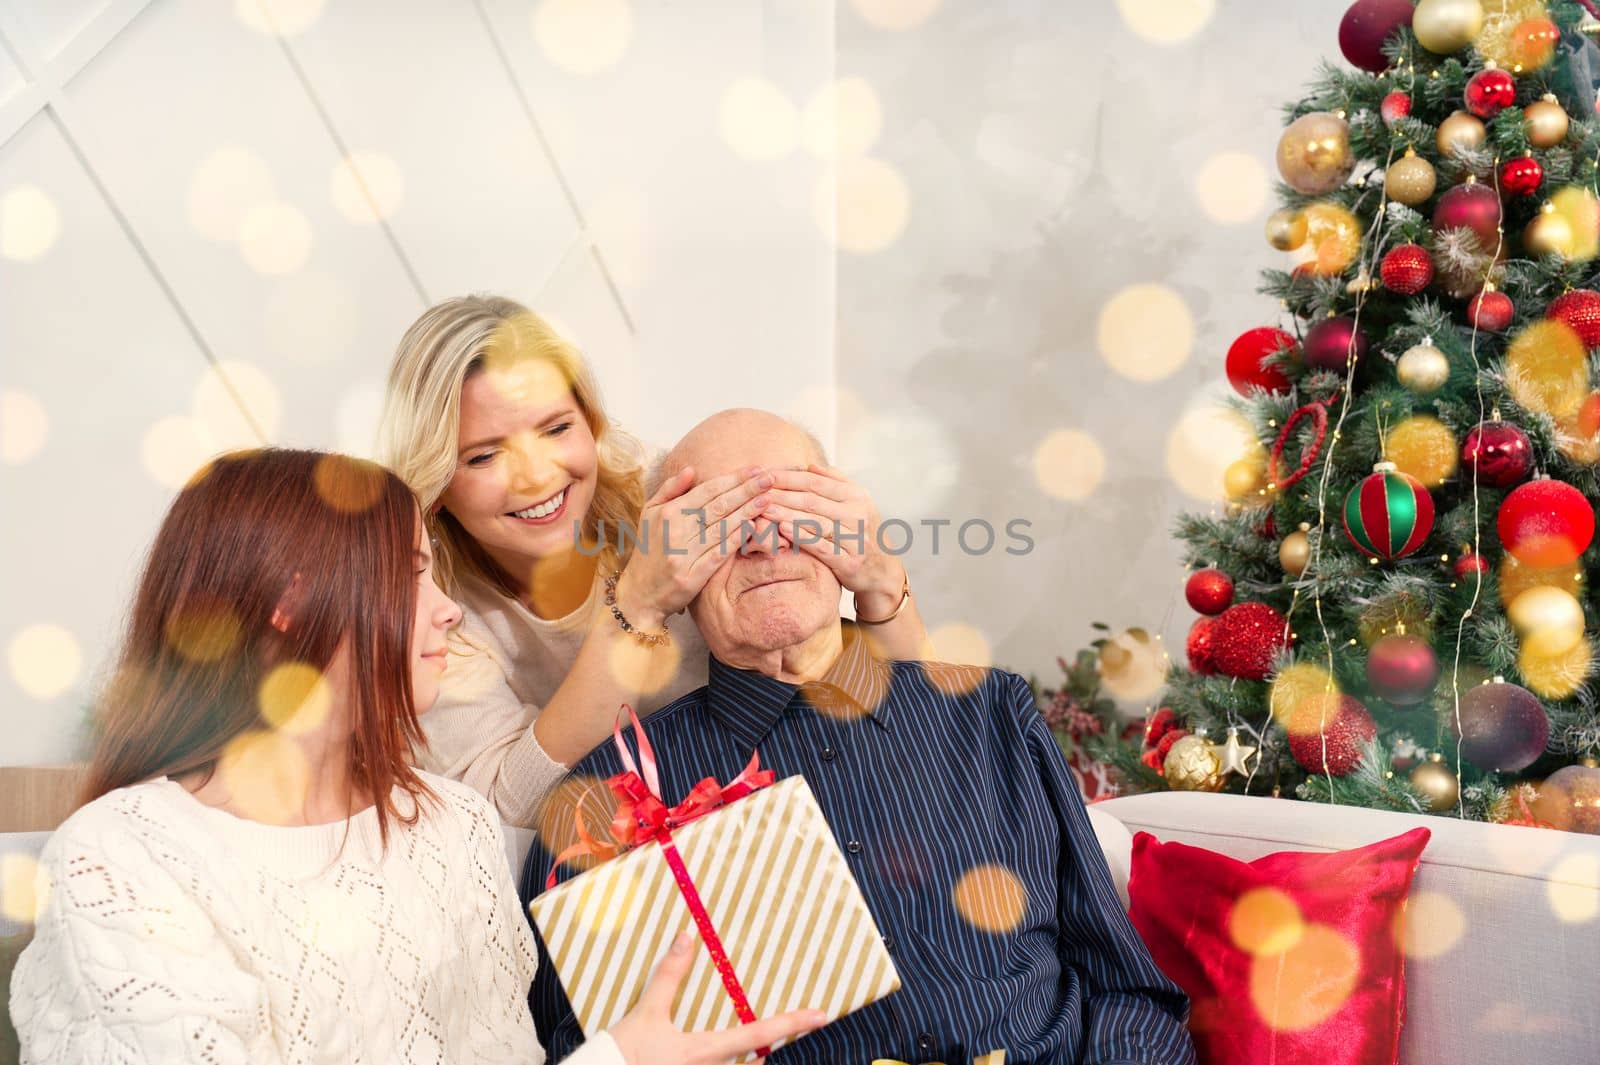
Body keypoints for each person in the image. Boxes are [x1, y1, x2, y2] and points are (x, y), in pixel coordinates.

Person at [8, 448, 825, 1064]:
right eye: (409, 575)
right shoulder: (125, 860)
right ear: (292, 603)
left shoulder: (452, 827)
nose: (448, 615)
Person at [525, 412, 1197, 1064]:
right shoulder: (606, 800)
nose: (764, 541)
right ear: (672, 563)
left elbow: (1126, 989)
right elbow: (583, 1049)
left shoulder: (991, 712)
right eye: (719, 522)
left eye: (795, 504)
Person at [379, 295, 928, 826]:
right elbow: (504, 813)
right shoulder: (428, 609)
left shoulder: (676, 494)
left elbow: (910, 716)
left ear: (591, 422)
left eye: (556, 429)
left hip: (781, 801)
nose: (538, 475)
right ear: (437, 481)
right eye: (484, 455)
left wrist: (881, 580)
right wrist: (636, 605)